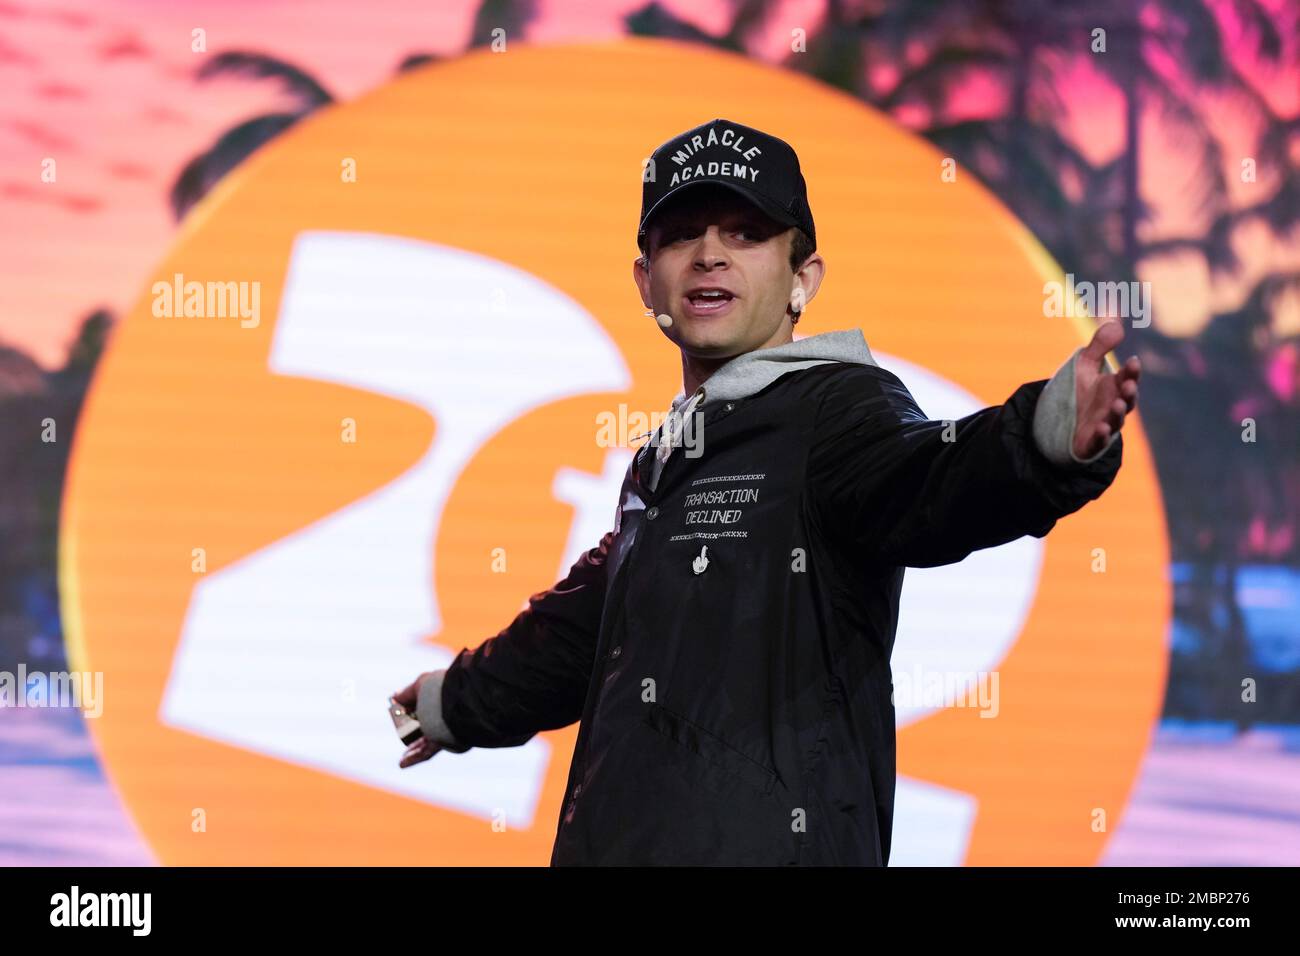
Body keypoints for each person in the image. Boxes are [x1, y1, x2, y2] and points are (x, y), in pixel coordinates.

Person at [392, 118, 1141, 865]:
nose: (710, 253)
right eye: (682, 235)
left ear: (802, 280)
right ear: (645, 280)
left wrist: (1039, 442)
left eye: (747, 234)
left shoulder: (837, 412)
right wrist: (452, 702)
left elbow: (930, 477)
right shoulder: (670, 457)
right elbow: (579, 632)